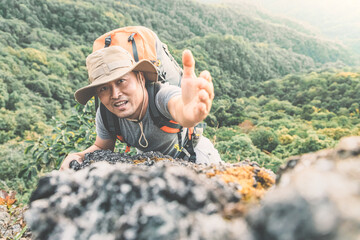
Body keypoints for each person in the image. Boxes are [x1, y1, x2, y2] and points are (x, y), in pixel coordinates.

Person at [60, 46, 222, 170]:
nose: (115, 94)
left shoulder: (160, 96)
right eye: (104, 88)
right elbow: (102, 147)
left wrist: (189, 114)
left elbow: (178, 107)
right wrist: (78, 156)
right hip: (153, 165)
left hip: (195, 156)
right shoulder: (106, 114)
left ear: (140, 78)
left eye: (121, 81)